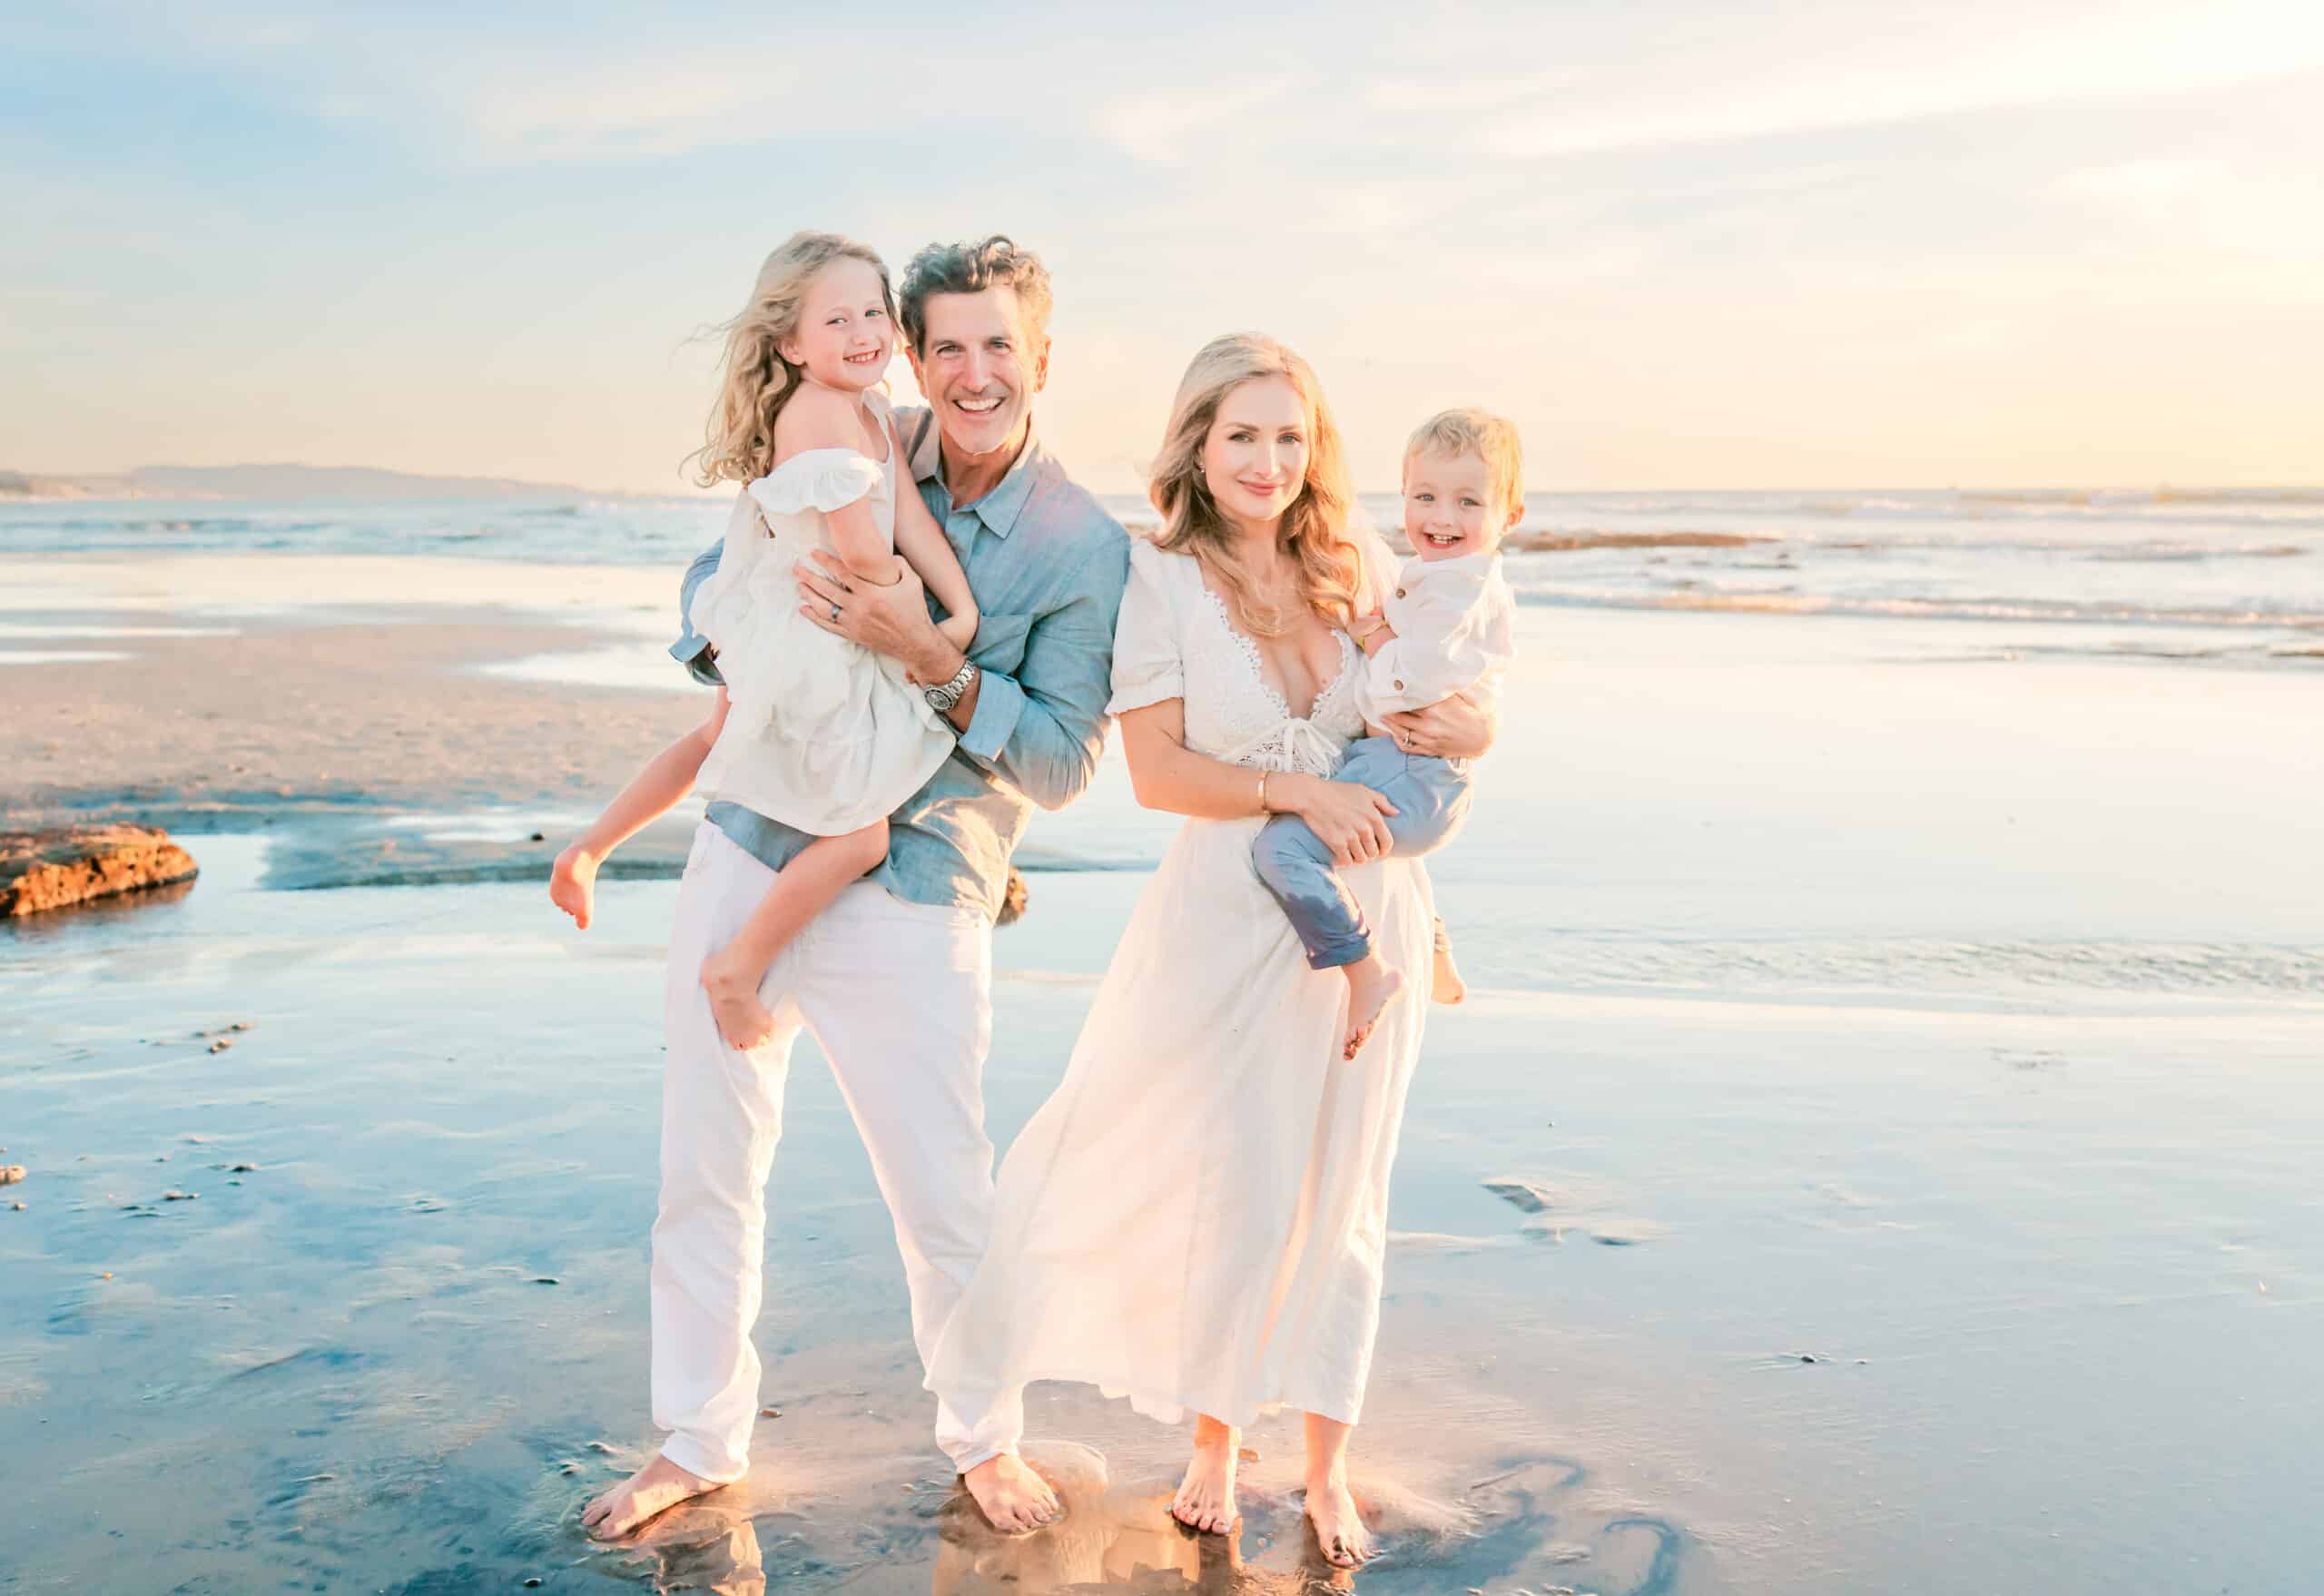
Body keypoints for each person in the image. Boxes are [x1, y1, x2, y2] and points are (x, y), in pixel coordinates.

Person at [575, 236, 1129, 1539]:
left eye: (1000, 346)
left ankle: (984, 1434)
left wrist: (927, 657)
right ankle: (696, 1437)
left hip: (921, 880)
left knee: (942, 1192)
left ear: (1042, 358)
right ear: (916, 354)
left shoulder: (1083, 544)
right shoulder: (853, 426)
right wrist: (742, 622)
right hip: (755, 840)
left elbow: (1057, 760)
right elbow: (713, 588)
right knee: (703, 1168)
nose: (971, 372)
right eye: (946, 346)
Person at [925, 333, 1497, 1571]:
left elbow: (1453, 696)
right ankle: (1217, 1442)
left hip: (1373, 908)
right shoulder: (1161, 576)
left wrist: (1479, 726)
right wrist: (1299, 799)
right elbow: (1158, 772)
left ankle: (1330, 1466)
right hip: (1231, 917)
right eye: (1242, 433)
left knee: (1350, 1189)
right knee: (1238, 1186)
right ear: (1197, 443)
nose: (1267, 459)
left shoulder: (1362, 563)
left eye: (1290, 436)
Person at [547, 232, 980, 1055]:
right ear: (790, 343)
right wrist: (921, 626)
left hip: (792, 616)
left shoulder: (871, 411)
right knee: (861, 835)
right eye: (837, 319)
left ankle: (590, 847)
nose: (864, 332)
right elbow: (861, 554)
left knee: (716, 735)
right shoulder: (818, 412)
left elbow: (907, 518)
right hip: (818, 626)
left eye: (873, 312)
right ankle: (737, 969)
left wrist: (959, 611)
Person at [1251, 407, 1521, 1059]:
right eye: (1424, 497)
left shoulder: (1459, 586)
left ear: (1509, 515)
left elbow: (1411, 682)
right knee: (1337, 791)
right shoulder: (1443, 575)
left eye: (1468, 502)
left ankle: (1365, 968)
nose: (1442, 517)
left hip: (1420, 773)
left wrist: (1370, 632)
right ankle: (1433, 946)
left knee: (1282, 852)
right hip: (1425, 776)